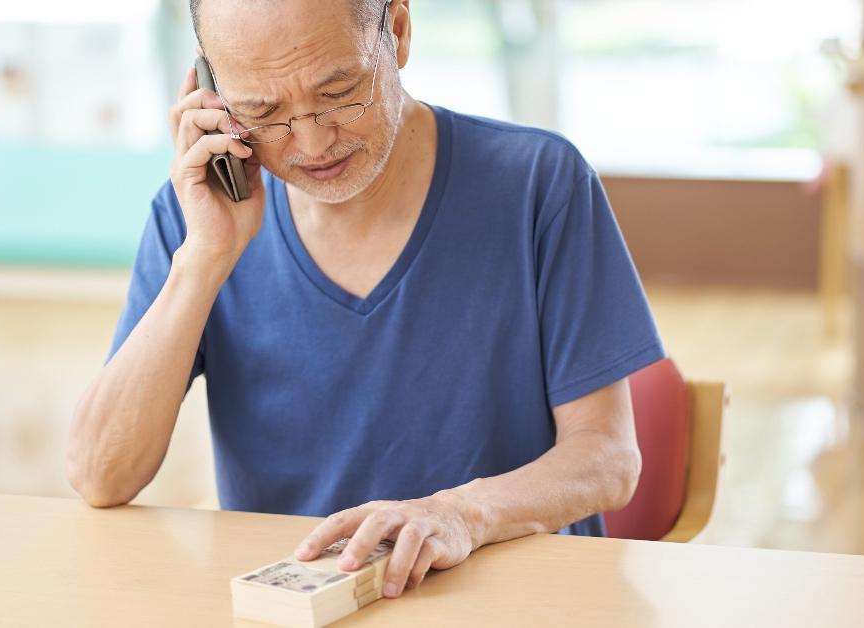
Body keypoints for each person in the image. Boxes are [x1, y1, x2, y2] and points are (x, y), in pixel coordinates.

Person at [67, 0, 664, 599]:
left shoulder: (537, 182)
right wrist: (204, 262)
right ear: (213, 97)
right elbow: (100, 476)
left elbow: (607, 459)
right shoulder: (197, 221)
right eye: (262, 111)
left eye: (339, 92)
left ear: (398, 32)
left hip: (517, 600)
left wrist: (461, 514)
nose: (312, 140)